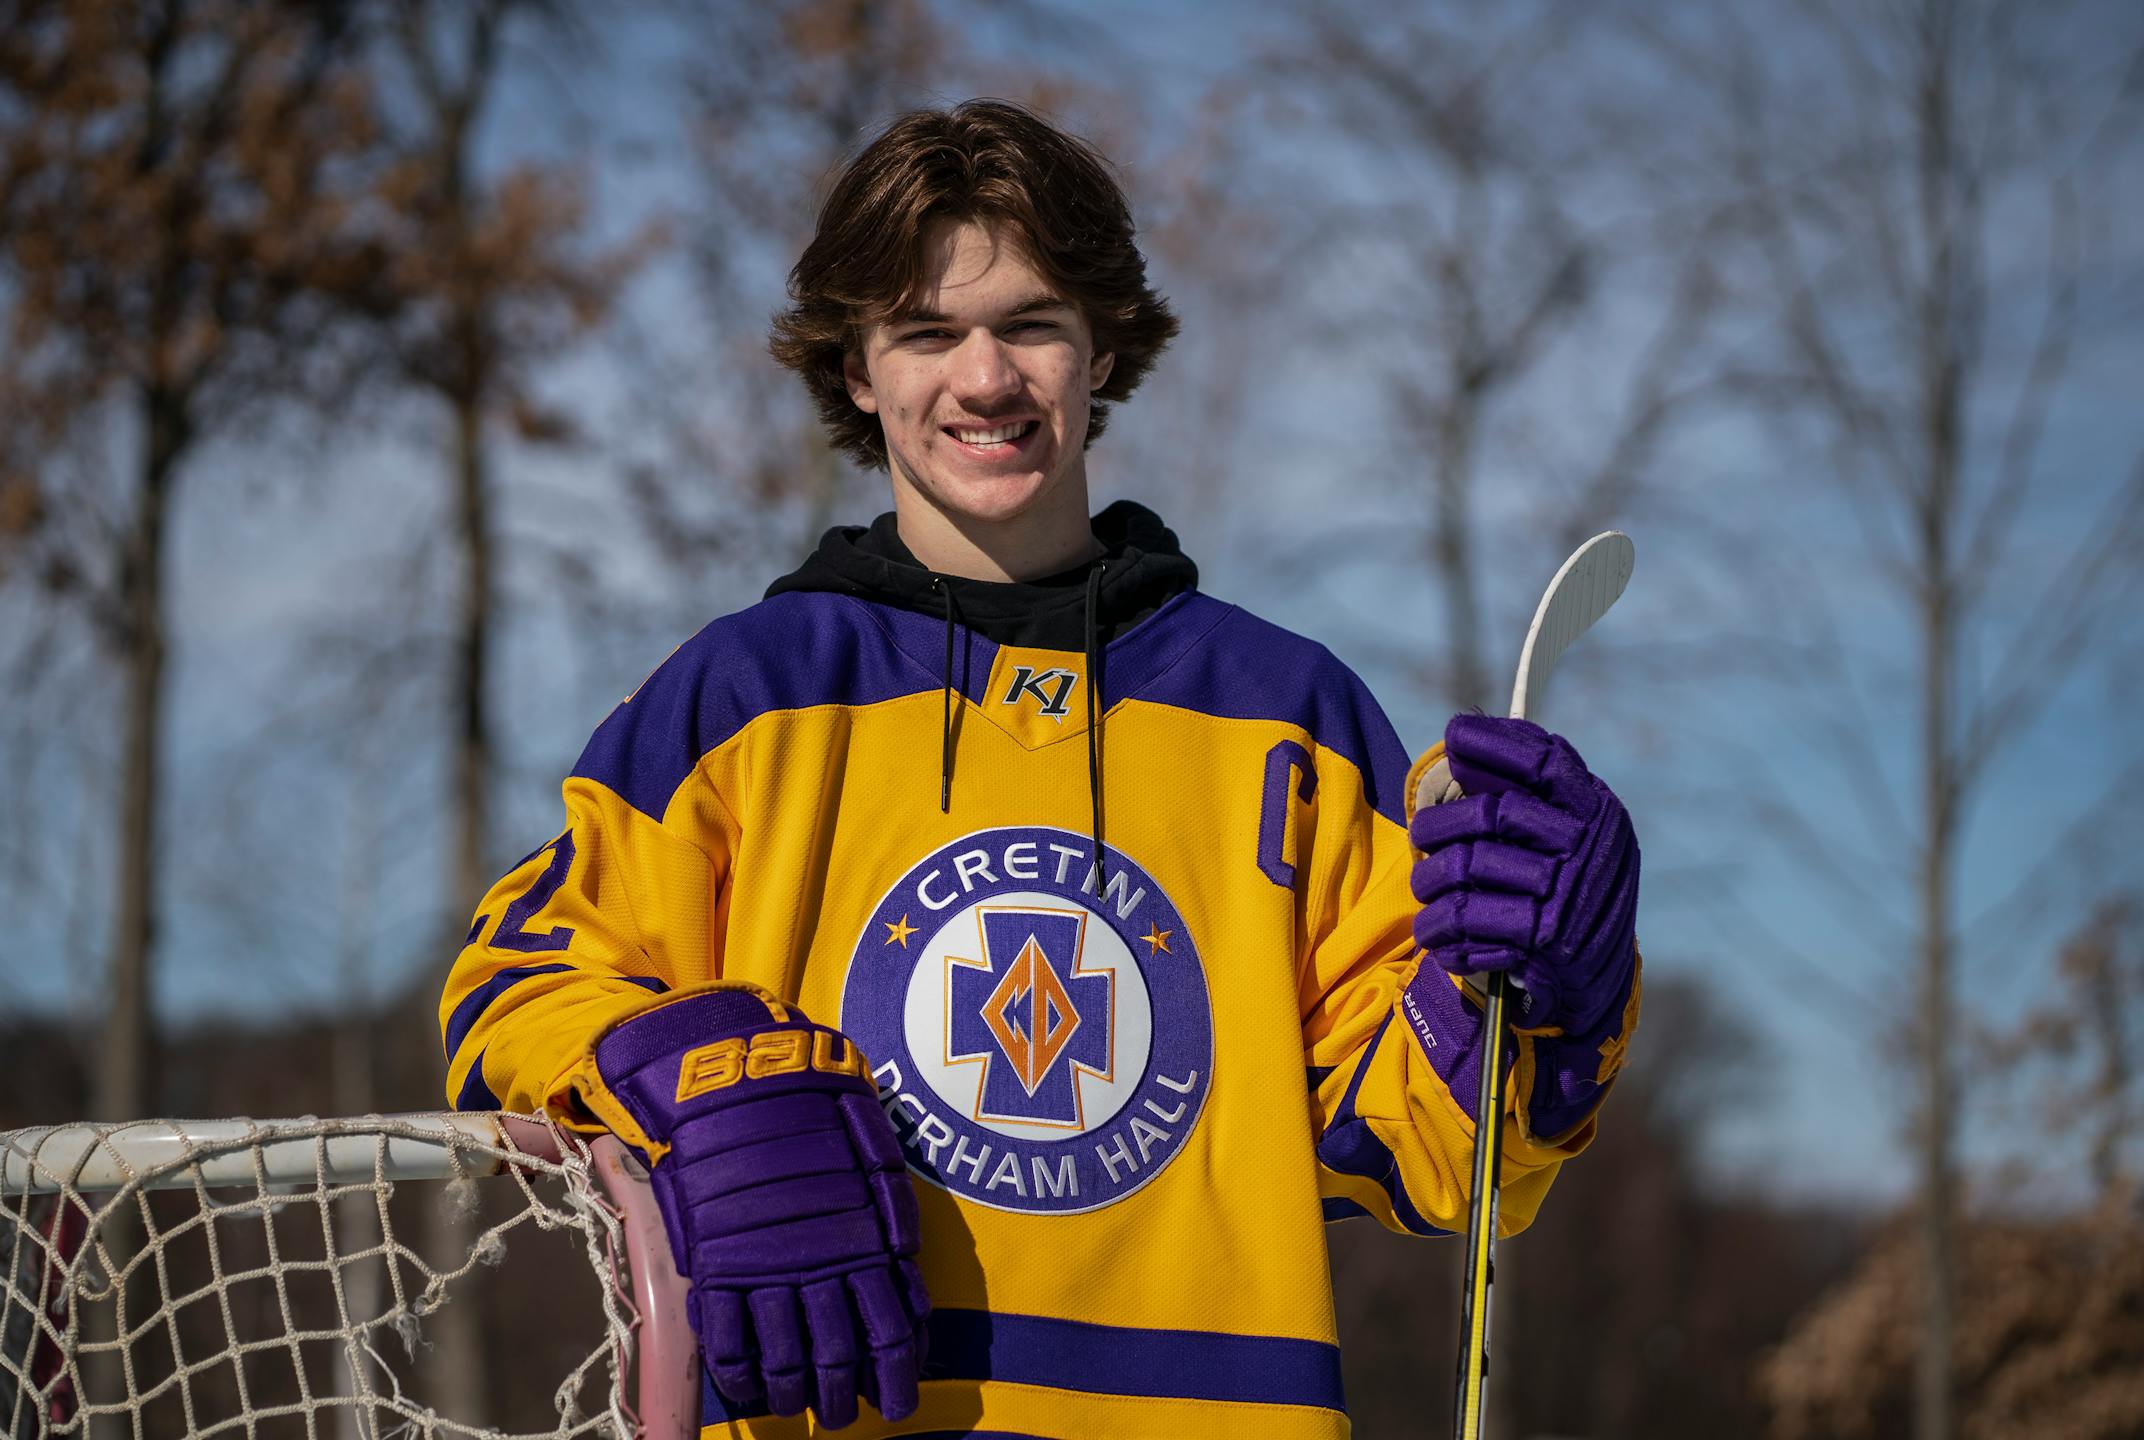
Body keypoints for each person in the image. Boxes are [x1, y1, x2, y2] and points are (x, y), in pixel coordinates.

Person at [439, 99, 1642, 1440]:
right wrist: (687, 1066)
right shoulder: (744, 696)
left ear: (1102, 343)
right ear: (854, 369)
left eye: (1029, 323)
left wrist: (1546, 1008)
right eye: (925, 332)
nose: (985, 379)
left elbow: (1426, 1152)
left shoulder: (1288, 713)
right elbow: (511, 993)